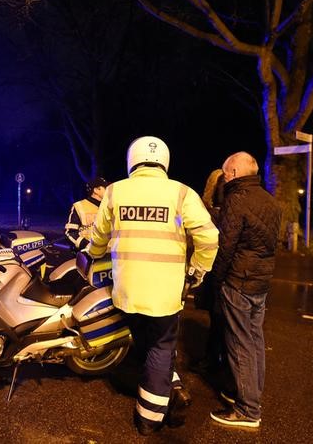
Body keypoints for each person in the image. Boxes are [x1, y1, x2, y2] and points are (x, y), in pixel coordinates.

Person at [87, 136, 219, 436]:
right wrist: (198, 269)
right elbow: (209, 237)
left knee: (145, 343)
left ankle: (168, 387)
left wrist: (91, 256)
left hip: (127, 290)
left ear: (132, 160)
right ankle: (149, 418)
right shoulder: (181, 193)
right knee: (161, 347)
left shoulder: (114, 191)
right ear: (165, 161)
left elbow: (99, 236)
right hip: (165, 293)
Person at [208, 152, 281, 429]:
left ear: (236, 172)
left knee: (239, 344)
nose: (225, 178)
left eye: (227, 173)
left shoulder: (236, 200)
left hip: (238, 281)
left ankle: (248, 410)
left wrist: (217, 281)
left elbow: (225, 247)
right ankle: (252, 395)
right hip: (260, 282)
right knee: (254, 340)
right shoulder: (271, 202)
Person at [191, 168, 227, 375]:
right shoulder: (227, 210)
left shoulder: (208, 213)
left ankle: (213, 360)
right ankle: (214, 358)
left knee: (219, 319)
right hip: (221, 271)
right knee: (219, 319)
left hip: (216, 271)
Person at [64, 176, 109, 251]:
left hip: (108, 254)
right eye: (106, 188)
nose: (109, 191)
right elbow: (70, 233)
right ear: (96, 190)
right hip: (87, 254)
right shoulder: (79, 206)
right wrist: (87, 245)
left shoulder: (110, 206)